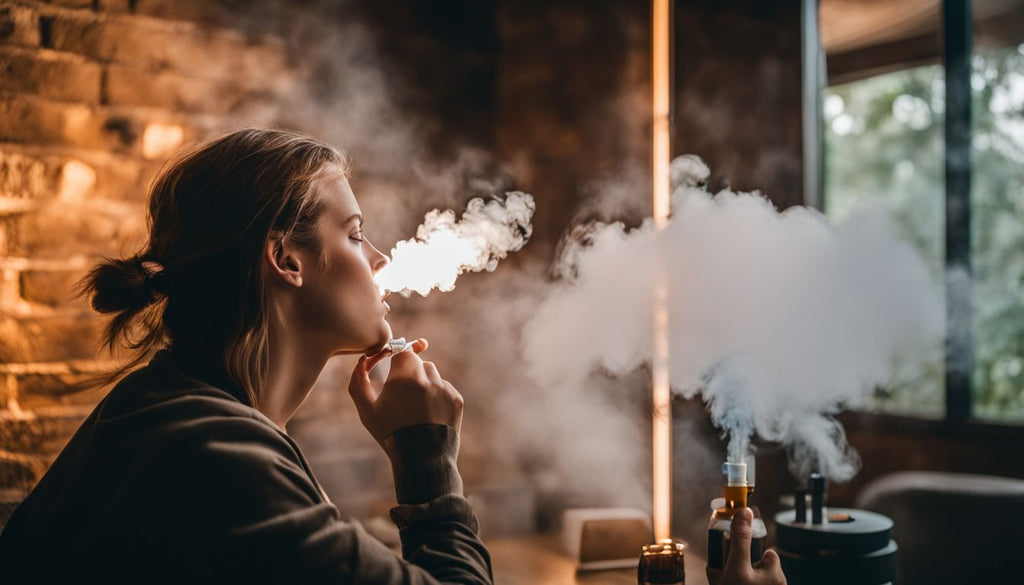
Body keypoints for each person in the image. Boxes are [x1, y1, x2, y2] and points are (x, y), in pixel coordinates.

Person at [0, 128, 784, 585]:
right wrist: (428, 461)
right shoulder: (216, 458)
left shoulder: (169, 408)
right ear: (287, 258)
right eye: (352, 231)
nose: (375, 258)